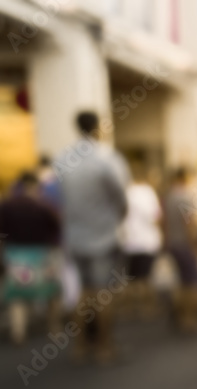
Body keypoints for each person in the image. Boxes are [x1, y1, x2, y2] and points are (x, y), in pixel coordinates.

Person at [56, 110, 129, 362]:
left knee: (82, 293)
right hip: (103, 236)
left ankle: (79, 347)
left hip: (74, 235)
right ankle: (104, 347)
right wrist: (118, 219)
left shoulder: (62, 158)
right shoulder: (107, 158)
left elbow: (59, 197)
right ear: (97, 128)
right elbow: (120, 197)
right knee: (103, 293)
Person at [0, 172, 62, 344]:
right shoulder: (44, 206)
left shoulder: (7, 205)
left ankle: (18, 332)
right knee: (51, 293)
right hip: (42, 255)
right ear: (36, 187)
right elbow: (57, 228)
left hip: (16, 255)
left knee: (17, 297)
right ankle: (54, 328)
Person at [162, 167, 197, 333]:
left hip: (172, 243)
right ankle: (190, 319)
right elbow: (189, 223)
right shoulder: (185, 197)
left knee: (179, 282)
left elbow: (163, 222)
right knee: (192, 283)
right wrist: (195, 244)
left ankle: (179, 317)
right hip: (184, 244)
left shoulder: (169, 196)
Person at [120, 160, 163, 320]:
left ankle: (128, 307)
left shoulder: (125, 192)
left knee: (130, 278)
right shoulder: (147, 192)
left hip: (129, 241)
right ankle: (148, 307)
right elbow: (155, 217)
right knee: (146, 277)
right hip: (147, 241)